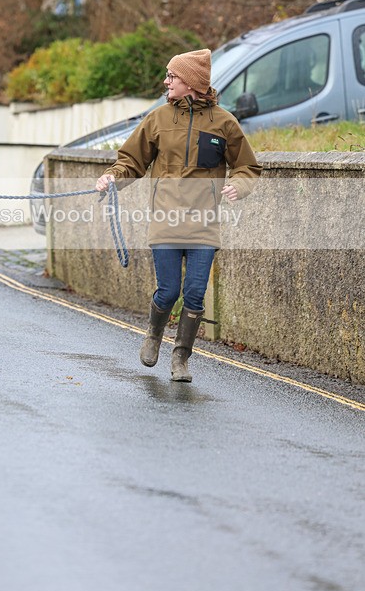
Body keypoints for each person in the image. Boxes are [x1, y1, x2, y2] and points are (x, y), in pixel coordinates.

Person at [96, 48, 262, 382]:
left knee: (195, 293)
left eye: (172, 76)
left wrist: (238, 186)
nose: (166, 81)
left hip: (204, 225)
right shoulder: (157, 120)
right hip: (165, 221)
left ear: (191, 82)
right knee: (169, 291)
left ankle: (181, 358)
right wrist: (112, 177)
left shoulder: (224, 123)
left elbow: (247, 166)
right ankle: (154, 334)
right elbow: (132, 161)